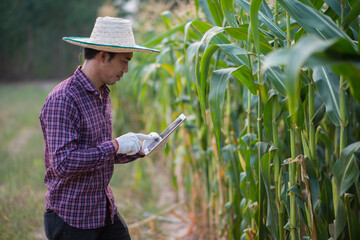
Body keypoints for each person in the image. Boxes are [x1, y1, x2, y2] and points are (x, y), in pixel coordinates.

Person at [40, 17, 163, 240]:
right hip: (73, 217)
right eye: (124, 61)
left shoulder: (102, 94)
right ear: (103, 56)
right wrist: (115, 145)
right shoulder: (63, 99)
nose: (126, 69)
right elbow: (63, 163)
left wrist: (137, 149)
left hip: (102, 209)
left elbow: (100, 153)